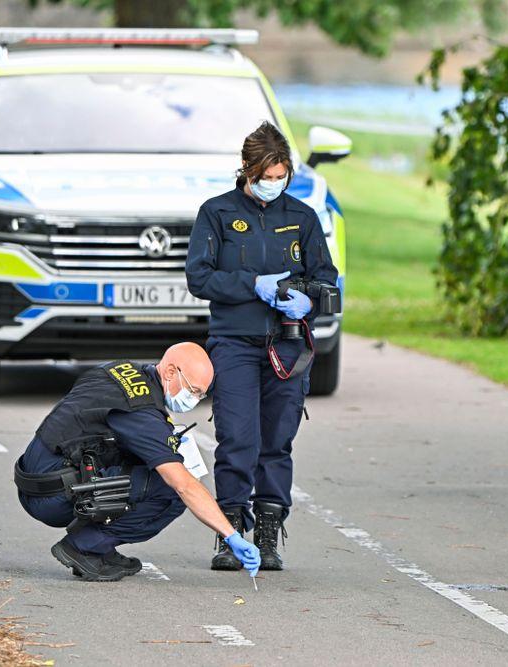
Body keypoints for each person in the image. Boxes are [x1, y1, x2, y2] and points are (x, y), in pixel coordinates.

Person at [185, 121, 338, 572]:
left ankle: (269, 530)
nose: (273, 185)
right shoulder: (215, 214)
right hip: (234, 342)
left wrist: (310, 297)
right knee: (237, 439)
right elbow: (199, 277)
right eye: (264, 177)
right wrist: (253, 285)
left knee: (276, 440)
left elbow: (328, 282)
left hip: (288, 347)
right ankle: (229, 530)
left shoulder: (302, 218)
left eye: (280, 177)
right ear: (246, 172)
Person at [13, 342, 261, 582]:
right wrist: (230, 535)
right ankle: (85, 547)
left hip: (35, 480)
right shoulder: (141, 413)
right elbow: (184, 485)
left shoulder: (118, 369)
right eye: (193, 390)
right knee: (171, 491)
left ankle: (100, 547)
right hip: (52, 497)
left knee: (142, 459)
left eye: (201, 394)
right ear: (171, 371)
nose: (194, 399)